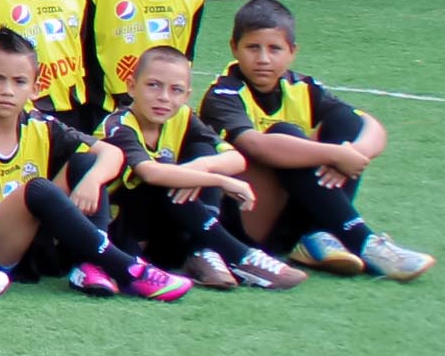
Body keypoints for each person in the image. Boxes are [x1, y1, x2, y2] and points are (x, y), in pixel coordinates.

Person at [0, 33, 191, 299]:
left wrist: (91, 180)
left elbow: (112, 153)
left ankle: (90, 265)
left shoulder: (41, 124)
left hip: (33, 240)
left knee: (86, 162)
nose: (7, 90)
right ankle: (129, 269)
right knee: (38, 190)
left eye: (19, 81)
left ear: (35, 87)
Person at [200, 0, 435, 280]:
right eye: (253, 47)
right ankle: (363, 242)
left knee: (345, 122)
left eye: (274, 49)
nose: (263, 59)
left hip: (295, 210)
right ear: (234, 48)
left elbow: (369, 125)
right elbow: (257, 147)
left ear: (292, 52)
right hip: (247, 220)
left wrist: (355, 152)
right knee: (285, 137)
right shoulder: (223, 94)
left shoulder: (302, 87)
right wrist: (333, 155)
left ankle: (318, 235)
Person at [100, 46, 302, 291]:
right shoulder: (118, 125)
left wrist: (199, 169)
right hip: (116, 232)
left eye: (175, 90)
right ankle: (240, 256)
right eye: (153, 85)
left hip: (164, 228)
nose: (164, 97)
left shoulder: (182, 116)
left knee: (202, 153)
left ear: (186, 95)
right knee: (166, 174)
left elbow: (236, 159)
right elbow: (150, 172)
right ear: (132, 86)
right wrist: (220, 181)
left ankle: (205, 251)